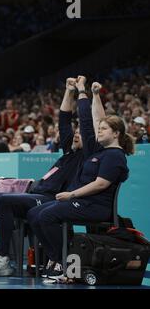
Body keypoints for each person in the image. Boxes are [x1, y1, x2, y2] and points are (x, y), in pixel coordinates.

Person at [0, 77, 87, 276]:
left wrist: (83, 93)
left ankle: (3, 259)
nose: (77, 134)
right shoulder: (68, 153)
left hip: (50, 199)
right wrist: (68, 90)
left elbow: (86, 126)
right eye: (76, 132)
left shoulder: (86, 156)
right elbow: (64, 119)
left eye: (81, 132)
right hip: (35, 193)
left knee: (4, 201)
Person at [27, 77, 134, 280]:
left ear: (116, 134)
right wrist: (94, 95)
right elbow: (93, 120)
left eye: (103, 130)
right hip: (81, 202)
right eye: (99, 129)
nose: (98, 131)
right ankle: (55, 258)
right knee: (33, 214)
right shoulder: (99, 151)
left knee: (46, 216)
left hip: (95, 206)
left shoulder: (115, 156)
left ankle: (62, 261)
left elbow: (101, 184)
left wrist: (71, 194)